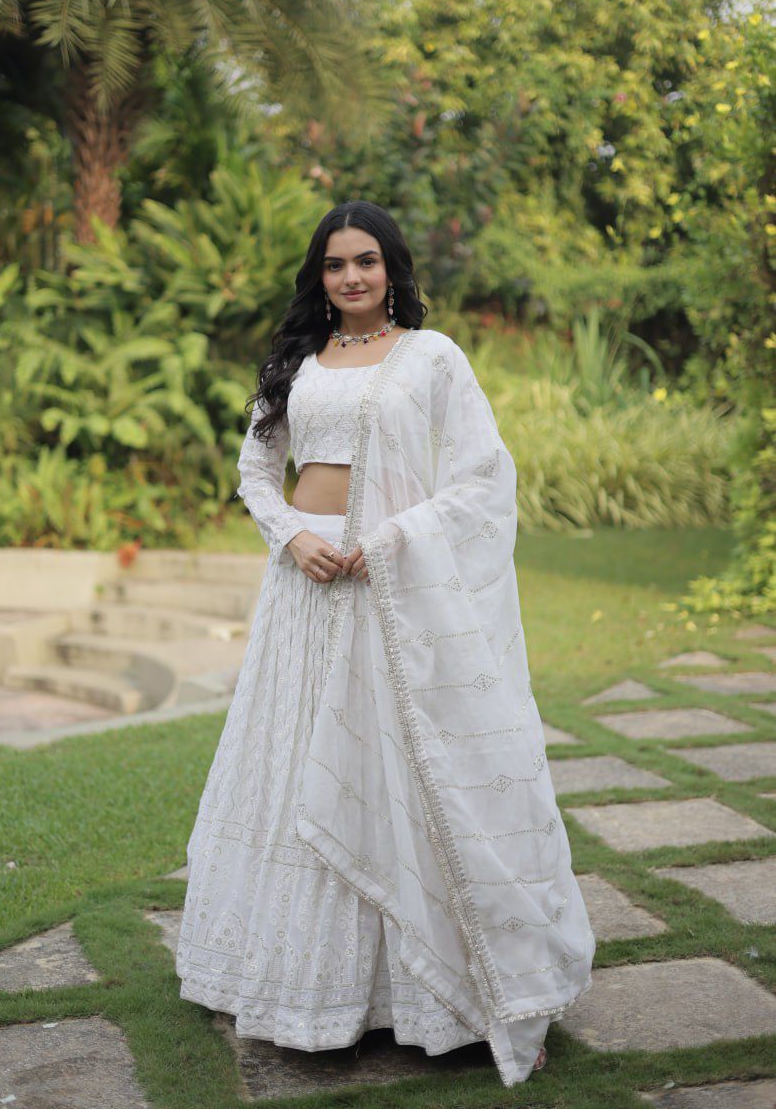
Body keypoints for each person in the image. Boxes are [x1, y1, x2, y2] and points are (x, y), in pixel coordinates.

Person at [175, 200, 595, 1087]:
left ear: (391, 267)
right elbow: (257, 470)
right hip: (305, 586)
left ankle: (441, 994)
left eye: (366, 261)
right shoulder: (292, 360)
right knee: (297, 767)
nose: (351, 278)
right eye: (334, 265)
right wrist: (291, 536)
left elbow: (483, 474)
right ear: (317, 277)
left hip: (387, 587)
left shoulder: (431, 356)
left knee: (402, 770)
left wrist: (393, 541)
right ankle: (311, 989)